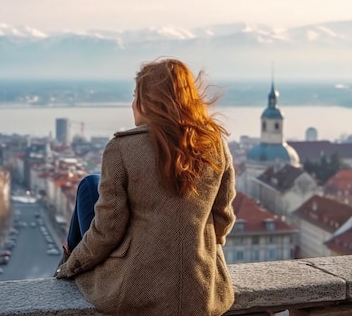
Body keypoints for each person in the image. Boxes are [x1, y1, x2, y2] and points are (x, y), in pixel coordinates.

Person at [54, 58, 237, 316]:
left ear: (146, 102)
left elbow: (107, 231)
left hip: (138, 289)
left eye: (135, 96)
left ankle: (63, 265)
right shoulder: (215, 145)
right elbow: (222, 221)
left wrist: (71, 267)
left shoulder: (121, 149)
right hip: (202, 291)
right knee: (91, 185)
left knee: (88, 186)